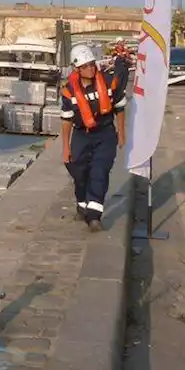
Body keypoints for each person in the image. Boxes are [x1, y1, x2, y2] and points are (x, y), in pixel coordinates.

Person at [60, 43, 128, 232]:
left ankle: (94, 216)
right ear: (77, 69)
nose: (90, 69)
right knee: (80, 173)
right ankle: (82, 204)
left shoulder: (108, 82)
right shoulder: (68, 91)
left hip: (105, 133)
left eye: (92, 64)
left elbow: (120, 108)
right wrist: (66, 148)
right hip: (82, 135)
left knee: (100, 171)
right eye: (85, 66)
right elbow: (66, 121)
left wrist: (121, 133)